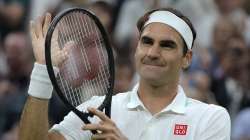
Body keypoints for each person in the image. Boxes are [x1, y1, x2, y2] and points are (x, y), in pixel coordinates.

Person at [19, 8, 231, 140]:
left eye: (167, 45)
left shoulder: (211, 118)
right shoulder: (96, 108)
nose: (153, 53)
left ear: (187, 58)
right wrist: (43, 73)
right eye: (146, 42)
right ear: (136, 48)